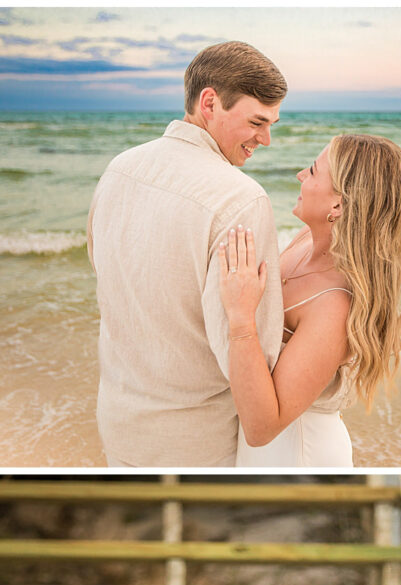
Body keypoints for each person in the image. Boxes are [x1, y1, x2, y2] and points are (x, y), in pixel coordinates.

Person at [86, 41, 287, 465]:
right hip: (196, 442)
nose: (266, 140)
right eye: (257, 122)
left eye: (272, 124)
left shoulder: (118, 168)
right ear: (209, 102)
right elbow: (253, 360)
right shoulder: (242, 200)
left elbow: (102, 270)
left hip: (118, 420)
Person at [218, 135, 401, 464]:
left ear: (338, 206)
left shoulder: (334, 306)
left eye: (314, 171)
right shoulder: (306, 240)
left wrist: (241, 317)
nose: (301, 174)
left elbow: (262, 427)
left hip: (294, 450)